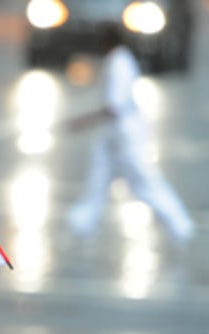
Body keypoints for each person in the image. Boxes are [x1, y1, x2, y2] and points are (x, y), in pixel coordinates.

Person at [65, 22, 195, 246]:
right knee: (99, 176)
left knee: (143, 182)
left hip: (124, 133)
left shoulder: (119, 63)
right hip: (112, 133)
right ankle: (83, 221)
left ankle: (179, 223)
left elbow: (114, 105)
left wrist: (82, 121)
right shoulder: (117, 60)